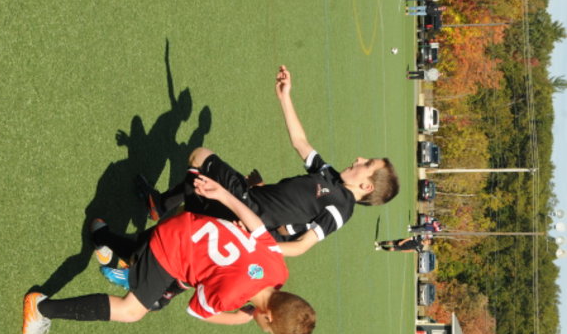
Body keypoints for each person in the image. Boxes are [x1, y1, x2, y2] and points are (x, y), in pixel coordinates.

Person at [22, 175, 316, 334]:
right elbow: (196, 311)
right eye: (268, 331)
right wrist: (235, 319)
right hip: (170, 250)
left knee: (157, 272)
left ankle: (102, 236)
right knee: (132, 311)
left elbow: (258, 228)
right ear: (267, 317)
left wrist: (223, 195)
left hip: (187, 225)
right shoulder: (230, 297)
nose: (264, 331)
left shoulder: (280, 269)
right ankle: (41, 309)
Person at [138, 66, 400, 259]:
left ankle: (163, 231)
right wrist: (285, 97)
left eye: (367, 164)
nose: (359, 159)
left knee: (200, 157)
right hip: (250, 197)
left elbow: (300, 246)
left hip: (249, 211)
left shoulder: (341, 209)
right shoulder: (329, 175)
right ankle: (163, 221)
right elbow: (300, 142)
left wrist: (257, 241)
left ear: (367, 187)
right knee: (197, 195)